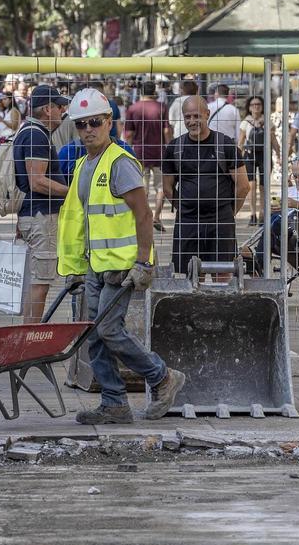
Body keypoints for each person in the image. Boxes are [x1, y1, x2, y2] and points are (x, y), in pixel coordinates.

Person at [56, 88, 186, 424]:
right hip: (97, 266)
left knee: (110, 330)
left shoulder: (120, 163)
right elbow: (84, 220)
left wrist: (144, 262)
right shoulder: (84, 165)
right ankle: (114, 402)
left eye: (95, 122)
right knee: (94, 334)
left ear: (109, 123)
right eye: (82, 124)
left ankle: (162, 377)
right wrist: (77, 267)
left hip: (124, 265)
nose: (88, 130)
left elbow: (143, 214)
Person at [162, 95, 249, 278]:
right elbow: (168, 188)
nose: (192, 121)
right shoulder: (175, 148)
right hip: (188, 223)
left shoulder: (225, 145)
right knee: (192, 277)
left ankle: (221, 306)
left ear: (207, 114)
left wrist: (229, 212)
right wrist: (185, 208)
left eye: (196, 116)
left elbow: (243, 186)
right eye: (188, 117)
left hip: (220, 221)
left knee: (223, 275)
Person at [13, 84, 70, 323]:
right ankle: (30, 338)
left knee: (38, 281)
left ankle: (27, 333)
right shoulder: (37, 135)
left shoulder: (29, 131)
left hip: (34, 215)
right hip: (41, 217)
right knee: (41, 283)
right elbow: (37, 181)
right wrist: (73, 191)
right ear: (47, 109)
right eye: (59, 106)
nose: (62, 111)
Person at [122, 80, 171, 231]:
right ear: (154, 91)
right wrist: (169, 147)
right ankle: (156, 216)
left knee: (141, 186)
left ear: (141, 91)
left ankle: (144, 216)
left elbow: (129, 133)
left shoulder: (133, 108)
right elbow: (166, 131)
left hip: (139, 153)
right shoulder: (161, 107)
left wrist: (127, 150)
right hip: (158, 152)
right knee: (160, 187)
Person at [237, 95, 279, 226]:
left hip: (264, 156)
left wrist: (278, 154)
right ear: (249, 107)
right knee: (251, 186)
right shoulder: (245, 122)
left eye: (259, 105)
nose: (256, 107)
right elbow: (241, 142)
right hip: (249, 156)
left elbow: (273, 140)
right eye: (253, 105)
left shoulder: (268, 122)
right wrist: (237, 158)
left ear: (262, 107)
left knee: (264, 187)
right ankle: (252, 214)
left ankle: (262, 214)